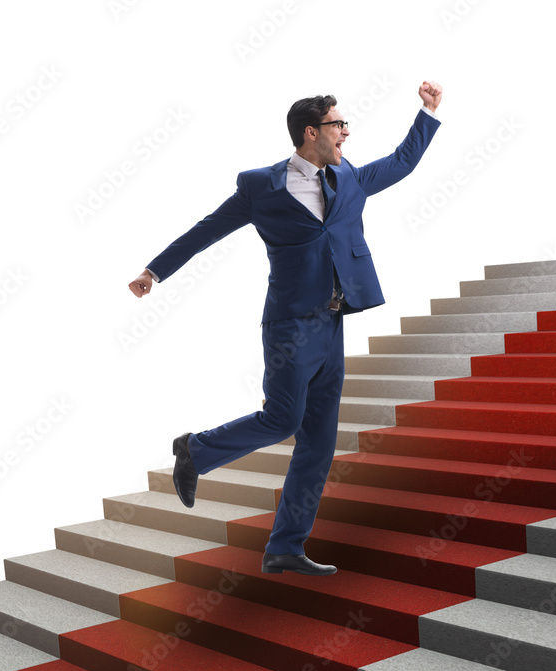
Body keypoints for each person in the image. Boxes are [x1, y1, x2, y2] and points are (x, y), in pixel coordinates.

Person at [128, 80, 443, 576]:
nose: (346, 132)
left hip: (334, 322)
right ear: (311, 131)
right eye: (339, 124)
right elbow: (207, 229)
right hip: (291, 324)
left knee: (318, 443)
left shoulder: (350, 178)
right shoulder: (261, 185)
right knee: (282, 419)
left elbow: (401, 162)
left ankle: (285, 548)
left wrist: (426, 114)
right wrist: (155, 271)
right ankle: (196, 448)